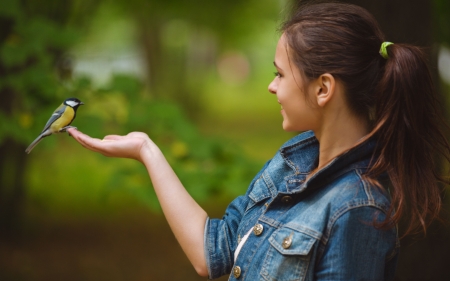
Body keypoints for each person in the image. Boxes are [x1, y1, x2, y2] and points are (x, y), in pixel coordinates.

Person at [68, 2, 450, 280]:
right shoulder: (291, 166)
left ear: (323, 89)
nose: (271, 86)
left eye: (280, 74)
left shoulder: (358, 210)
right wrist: (146, 151)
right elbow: (211, 252)